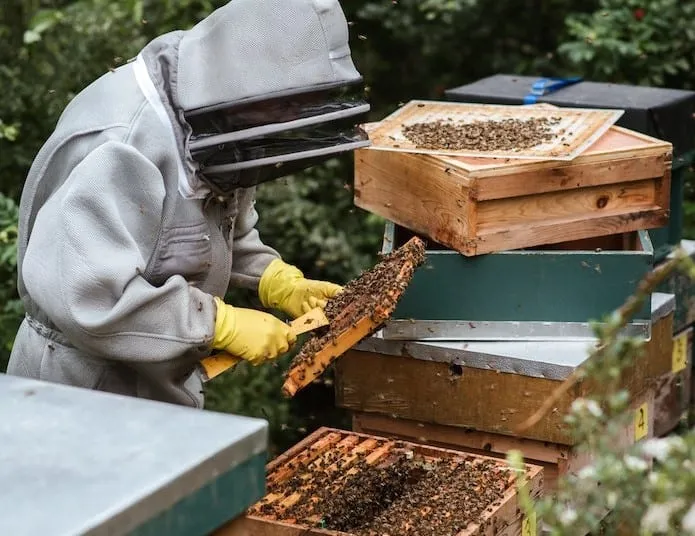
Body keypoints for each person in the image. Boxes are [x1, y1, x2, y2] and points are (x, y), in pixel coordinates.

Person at [6, 0, 370, 408]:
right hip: (76, 392)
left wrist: (273, 278)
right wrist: (218, 324)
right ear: (247, 75)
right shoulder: (122, 144)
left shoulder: (224, 120)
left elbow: (205, 228)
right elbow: (90, 297)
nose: (294, 114)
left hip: (155, 389)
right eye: (288, 103)